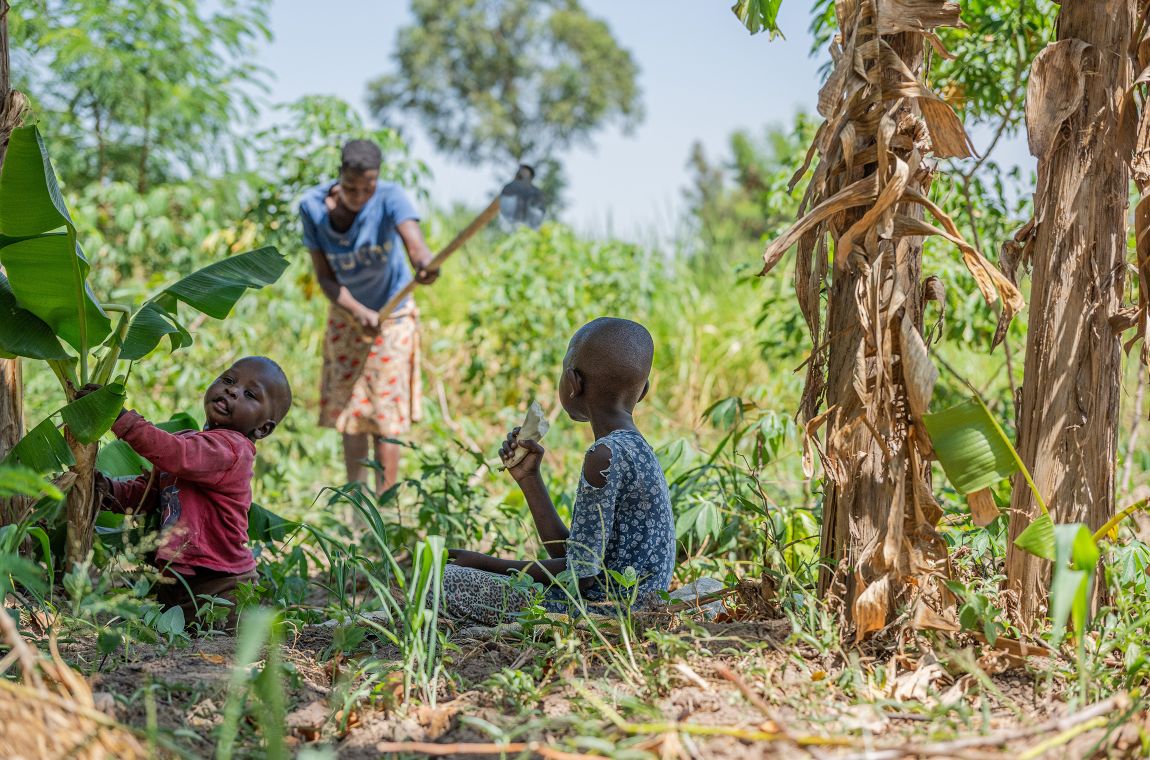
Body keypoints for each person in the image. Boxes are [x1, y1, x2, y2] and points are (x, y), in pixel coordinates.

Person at [443, 318, 675, 625]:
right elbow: (578, 555)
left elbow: (580, 577)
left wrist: (485, 562)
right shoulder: (635, 448)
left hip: (605, 612)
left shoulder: (603, 455)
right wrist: (529, 479)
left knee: (445, 582)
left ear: (572, 382)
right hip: (626, 604)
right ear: (643, 391)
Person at [82, 356, 293, 630]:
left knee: (208, 640)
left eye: (249, 394)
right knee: (170, 633)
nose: (232, 390)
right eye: (228, 380)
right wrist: (108, 490)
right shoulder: (190, 439)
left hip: (222, 584)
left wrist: (121, 419)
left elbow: (177, 455)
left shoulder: (232, 450)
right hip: (179, 575)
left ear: (263, 428)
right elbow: (147, 494)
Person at [300, 139, 439, 494]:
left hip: (393, 315)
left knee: (385, 417)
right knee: (353, 416)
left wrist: (424, 265)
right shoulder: (313, 208)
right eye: (351, 187)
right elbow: (326, 278)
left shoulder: (392, 197)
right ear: (338, 178)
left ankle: (387, 508)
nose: (360, 195)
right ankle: (358, 509)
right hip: (348, 316)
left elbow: (416, 247)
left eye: (368, 187)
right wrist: (359, 312)